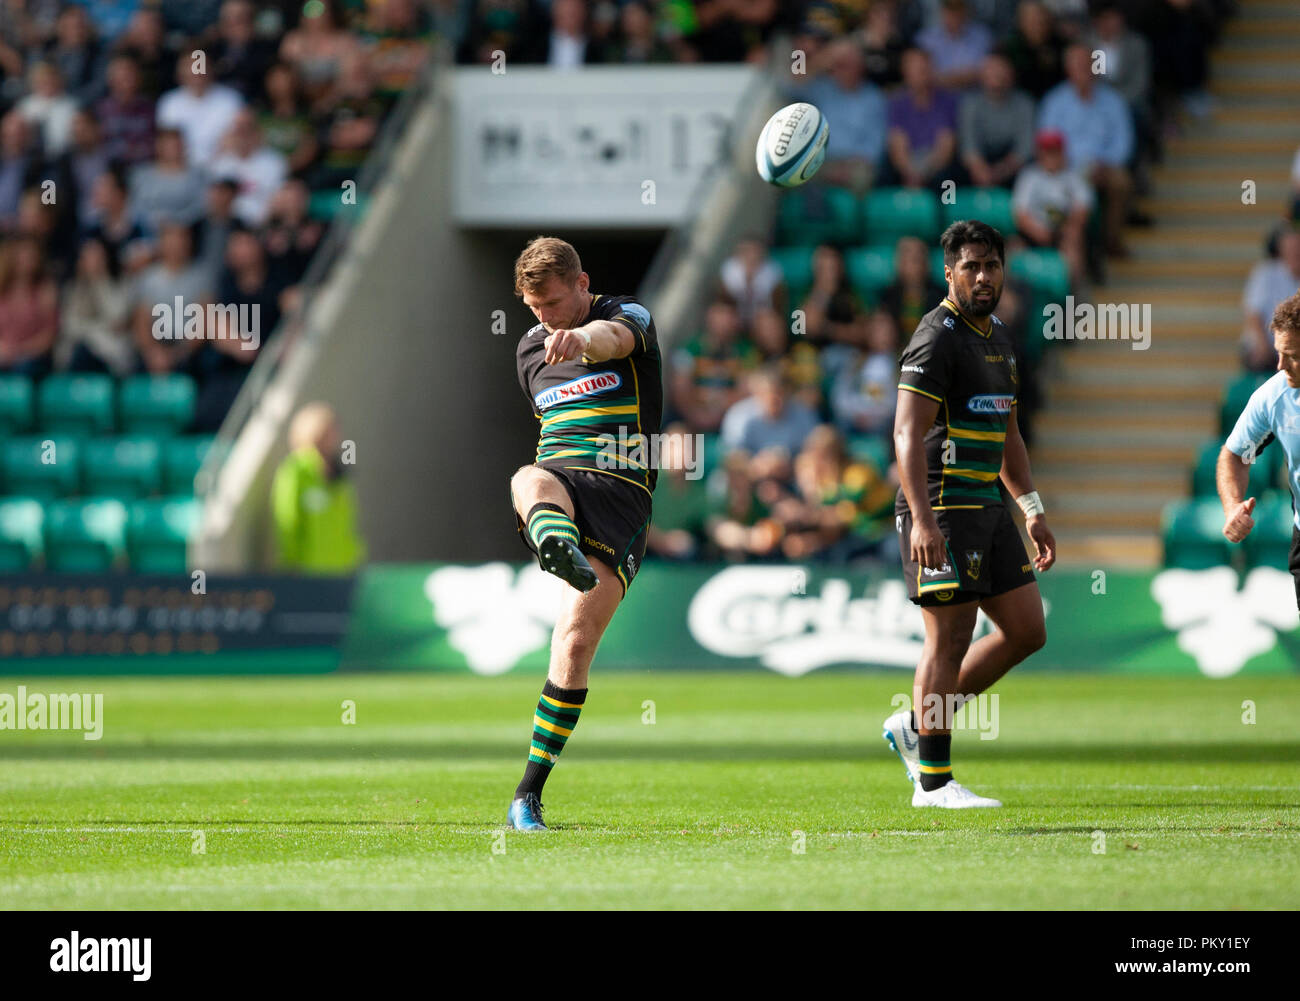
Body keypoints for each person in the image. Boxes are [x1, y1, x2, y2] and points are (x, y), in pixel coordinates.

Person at [884, 219, 1055, 808]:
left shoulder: (1001, 339)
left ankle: (915, 725)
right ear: (950, 273)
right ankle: (933, 782)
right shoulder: (937, 337)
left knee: (1028, 631)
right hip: (942, 507)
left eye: (993, 266)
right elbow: (906, 434)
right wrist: (924, 520)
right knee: (950, 636)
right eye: (972, 267)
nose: (984, 277)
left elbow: (1007, 433)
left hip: (987, 504)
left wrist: (1030, 509)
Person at [506, 236, 661, 832]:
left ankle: (533, 787)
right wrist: (551, 335)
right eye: (534, 307)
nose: (544, 318)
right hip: (562, 476)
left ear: (582, 283)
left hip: (621, 490)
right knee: (528, 476)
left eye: (552, 302)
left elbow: (613, 341)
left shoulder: (627, 316)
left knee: (573, 644)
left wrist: (581, 338)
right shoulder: (528, 348)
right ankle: (555, 542)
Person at [1221, 292, 1300, 601]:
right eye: (1278, 352)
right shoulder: (1275, 398)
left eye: (1292, 354)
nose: (1280, 365)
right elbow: (1239, 455)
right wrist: (1232, 506)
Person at [272, 401, 367, 574]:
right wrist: (293, 566)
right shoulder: (295, 471)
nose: (334, 436)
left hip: (344, 570)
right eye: (328, 431)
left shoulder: (341, 473)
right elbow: (288, 522)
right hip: (310, 573)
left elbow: (349, 521)